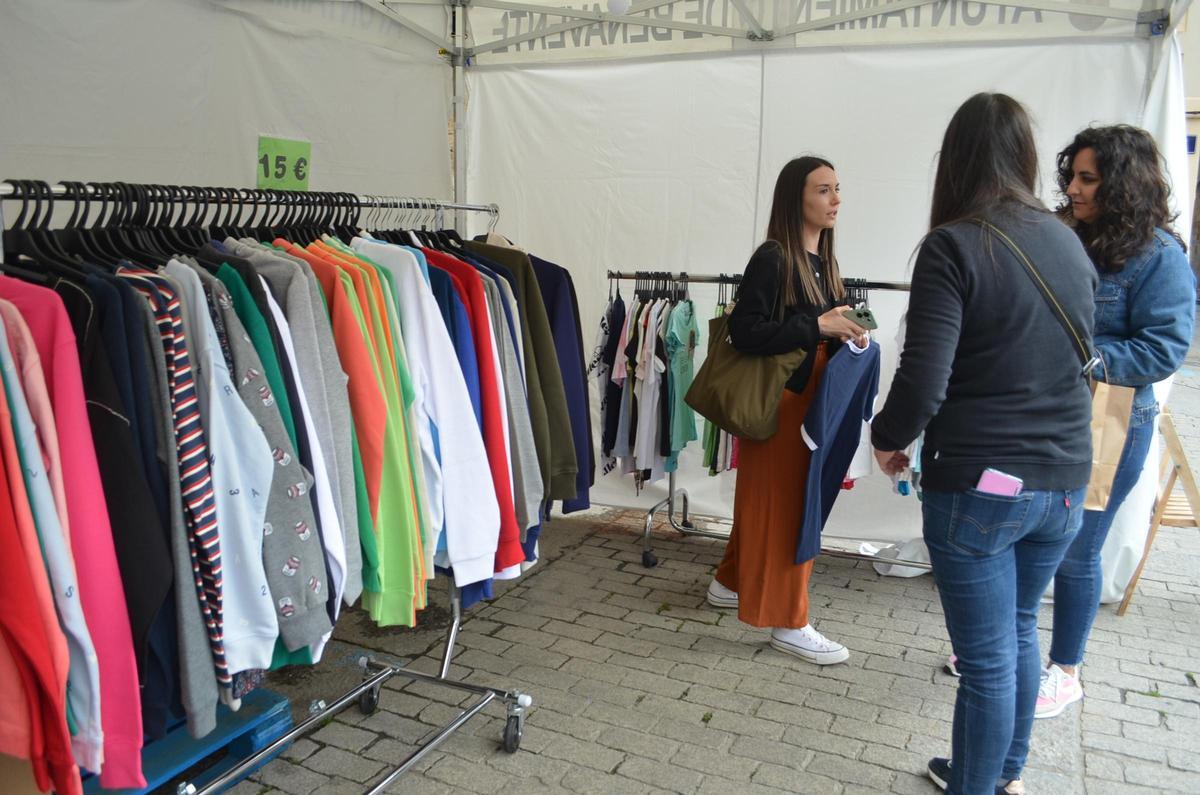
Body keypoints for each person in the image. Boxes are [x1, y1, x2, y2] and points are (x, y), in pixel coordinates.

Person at [870, 93, 1096, 795]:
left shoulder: (954, 243)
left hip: (980, 486)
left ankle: (980, 783)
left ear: (956, 160)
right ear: (1025, 156)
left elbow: (923, 378)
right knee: (1019, 629)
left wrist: (885, 437)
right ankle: (1002, 773)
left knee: (988, 660)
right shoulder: (1066, 241)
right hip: (1063, 480)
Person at [1035, 125, 1197, 718]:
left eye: (1088, 179)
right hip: (1043, 408)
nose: (1072, 189)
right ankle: (1012, 653)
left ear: (1122, 184)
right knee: (1032, 534)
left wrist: (1086, 358)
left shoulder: (1159, 256)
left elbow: (1162, 350)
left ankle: (1065, 671)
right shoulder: (1061, 235)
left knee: (1079, 547)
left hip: (1111, 417)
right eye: (1071, 176)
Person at [705, 155, 868, 665]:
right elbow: (745, 331)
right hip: (784, 403)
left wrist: (849, 329)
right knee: (791, 510)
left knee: (776, 504)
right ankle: (788, 621)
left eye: (837, 188)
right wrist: (819, 328)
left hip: (811, 397)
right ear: (795, 197)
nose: (836, 199)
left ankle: (729, 581)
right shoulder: (774, 257)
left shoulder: (823, 261)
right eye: (823, 190)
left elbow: (818, 323)